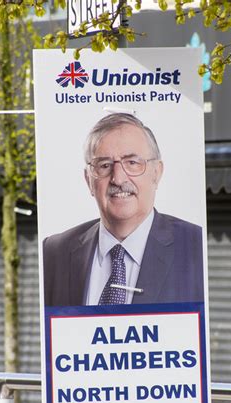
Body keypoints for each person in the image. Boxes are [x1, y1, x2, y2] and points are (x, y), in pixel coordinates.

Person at [43, 113, 204, 307]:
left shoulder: (195, 246)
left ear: (157, 172)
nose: (118, 179)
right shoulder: (54, 252)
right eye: (104, 165)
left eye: (132, 163)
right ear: (88, 180)